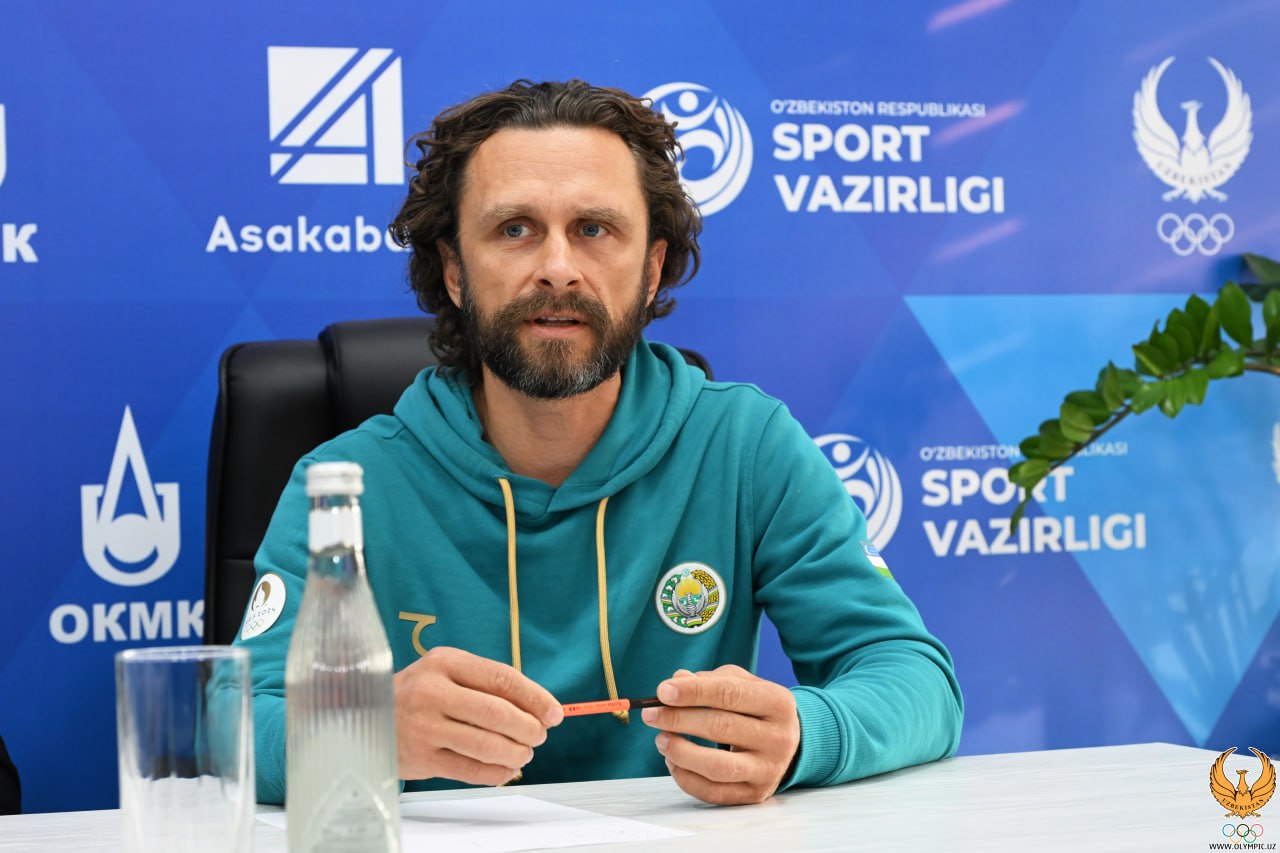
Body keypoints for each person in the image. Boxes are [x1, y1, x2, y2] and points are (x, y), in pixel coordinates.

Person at [234, 79, 962, 807]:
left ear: (651, 269)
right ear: (455, 271)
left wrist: (806, 733)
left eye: (593, 229)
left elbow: (913, 675)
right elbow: (234, 720)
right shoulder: (348, 481)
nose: (558, 267)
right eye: (514, 229)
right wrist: (365, 728)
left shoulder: (745, 446)